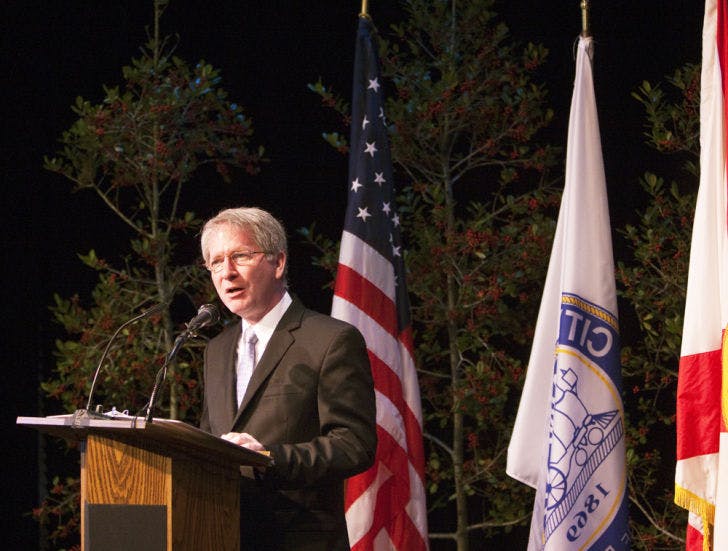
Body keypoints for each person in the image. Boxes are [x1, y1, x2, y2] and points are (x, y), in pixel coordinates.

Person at [198, 206, 377, 551]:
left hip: (300, 538)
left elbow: (354, 444)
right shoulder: (216, 350)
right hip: (223, 534)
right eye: (216, 262)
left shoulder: (330, 340)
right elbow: (211, 439)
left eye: (240, 256)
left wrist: (270, 458)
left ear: (278, 262)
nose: (227, 273)